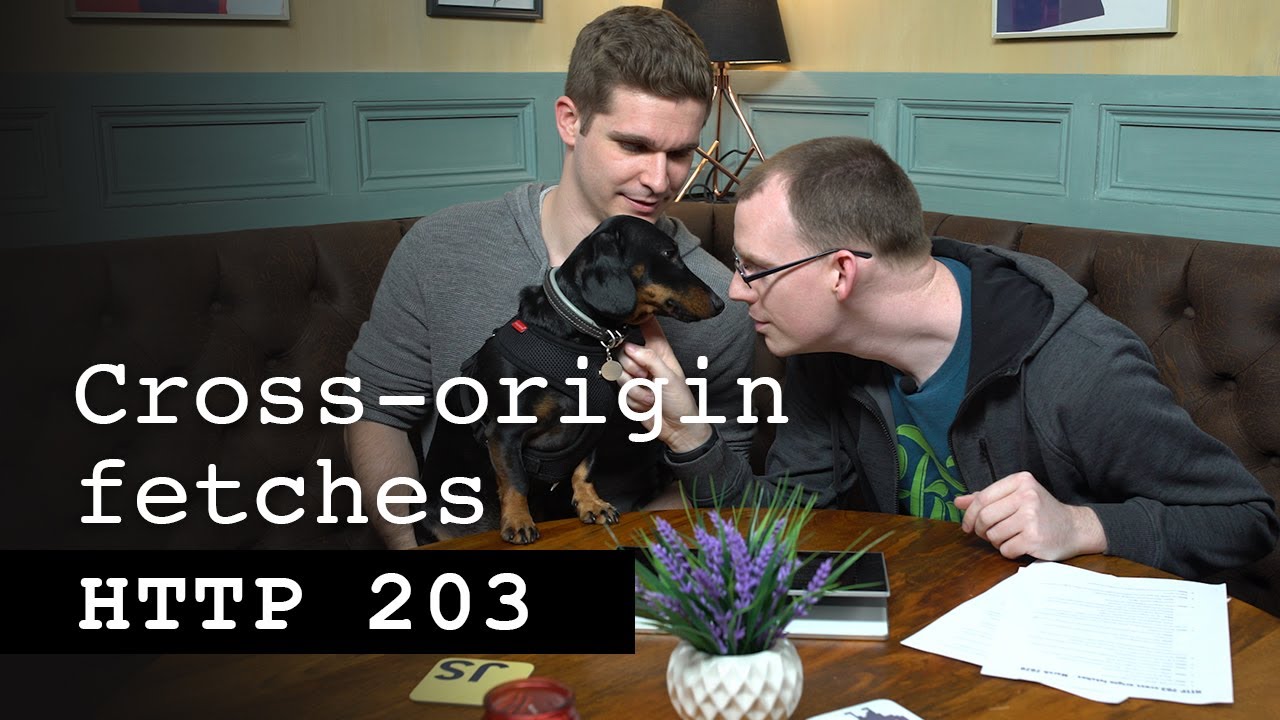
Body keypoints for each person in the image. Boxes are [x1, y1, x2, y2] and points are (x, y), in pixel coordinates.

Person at [616, 135, 1279, 579]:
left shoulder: (1078, 367)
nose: (737, 291)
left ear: (841, 273)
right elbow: (780, 531)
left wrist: (1084, 525)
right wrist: (688, 431)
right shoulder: (823, 351)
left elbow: (1243, 521)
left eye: (755, 268)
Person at [343, 6, 756, 549]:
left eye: (680, 153)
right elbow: (374, 410)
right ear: (570, 121)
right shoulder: (443, 246)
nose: (659, 180)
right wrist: (412, 546)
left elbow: (719, 477)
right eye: (633, 145)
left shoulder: (716, 302)